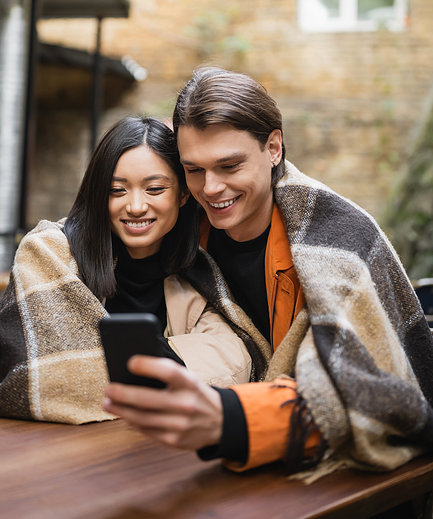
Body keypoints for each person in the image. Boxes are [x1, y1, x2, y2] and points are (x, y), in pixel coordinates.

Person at [104, 67, 433, 485]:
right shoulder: (185, 231)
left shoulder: (337, 237)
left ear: (273, 147)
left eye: (229, 165)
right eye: (194, 169)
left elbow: (377, 396)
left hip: (343, 480)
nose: (211, 187)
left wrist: (230, 419)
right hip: (202, 465)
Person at [0, 116, 268, 424]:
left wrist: (102, 370)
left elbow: (238, 360)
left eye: (154, 189)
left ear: (183, 194)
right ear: (101, 194)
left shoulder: (196, 270)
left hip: (141, 445)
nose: (136, 206)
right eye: (118, 190)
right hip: (27, 441)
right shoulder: (50, 250)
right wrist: (169, 368)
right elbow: (41, 373)